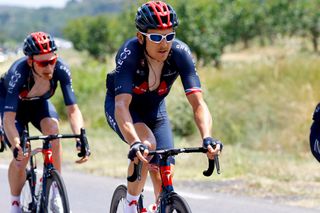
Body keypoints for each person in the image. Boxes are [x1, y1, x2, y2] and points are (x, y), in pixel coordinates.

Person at [104, 1, 223, 212]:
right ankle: (131, 204)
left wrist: (207, 137)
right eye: (156, 37)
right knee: (147, 144)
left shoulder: (180, 53)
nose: (164, 44)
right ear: (141, 37)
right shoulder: (130, 53)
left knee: (163, 174)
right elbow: (122, 105)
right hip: (125, 110)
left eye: (169, 36)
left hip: (156, 111)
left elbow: (198, 103)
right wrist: (134, 142)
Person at [0, 31, 89, 213]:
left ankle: (54, 191)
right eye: (43, 63)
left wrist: (81, 137)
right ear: (31, 61)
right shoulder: (18, 73)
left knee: (53, 131)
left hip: (38, 105)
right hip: (12, 109)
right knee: (21, 157)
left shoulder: (61, 69)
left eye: (52, 60)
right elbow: (8, 119)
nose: (49, 67)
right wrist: (17, 144)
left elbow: (72, 109)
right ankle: (15, 204)